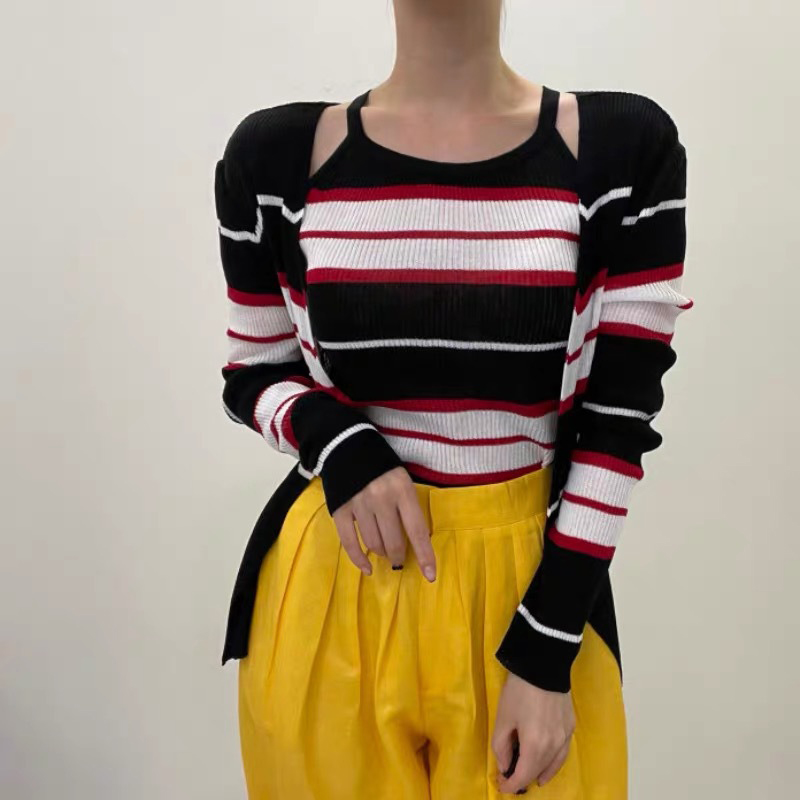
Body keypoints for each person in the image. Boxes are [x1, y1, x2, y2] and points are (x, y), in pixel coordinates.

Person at [213, 1, 692, 797]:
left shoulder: (622, 153)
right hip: (331, 591)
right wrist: (338, 441)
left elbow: (619, 420)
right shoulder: (274, 161)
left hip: (529, 598)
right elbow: (253, 371)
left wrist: (547, 649)